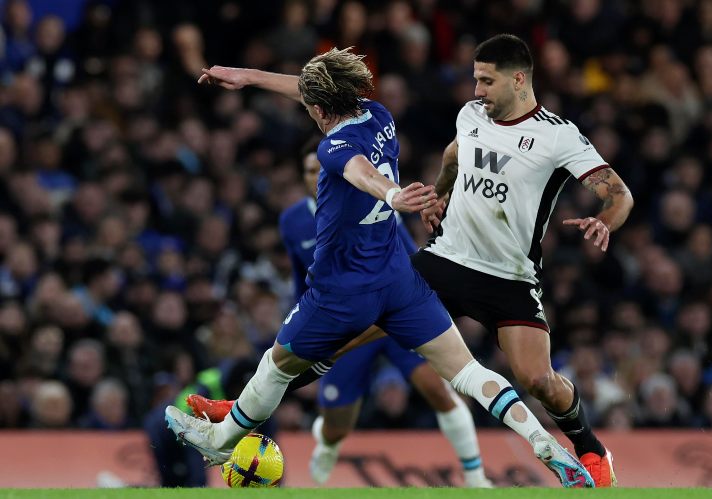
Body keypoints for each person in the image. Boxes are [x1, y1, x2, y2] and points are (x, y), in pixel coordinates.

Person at [164, 47, 594, 488]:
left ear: (318, 110)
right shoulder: (379, 114)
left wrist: (391, 195)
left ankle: (220, 439)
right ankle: (544, 442)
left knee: (276, 366)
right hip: (399, 280)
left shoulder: (332, 147)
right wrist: (248, 76)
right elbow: (314, 95)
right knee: (467, 373)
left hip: (342, 293)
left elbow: (360, 172)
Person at [191, 137, 493, 487]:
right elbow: (303, 278)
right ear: (302, 176)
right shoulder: (292, 222)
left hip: (391, 317)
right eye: (308, 171)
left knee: (440, 390)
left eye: (321, 169)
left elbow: (408, 260)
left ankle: (476, 479)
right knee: (337, 425)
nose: (315, 176)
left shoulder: (366, 199)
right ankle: (328, 441)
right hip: (344, 327)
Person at [415, 34, 634, 487]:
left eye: (486, 81)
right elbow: (455, 155)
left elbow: (619, 193)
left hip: (508, 277)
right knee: (359, 319)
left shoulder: (558, 135)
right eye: (475, 79)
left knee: (538, 380)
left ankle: (592, 449)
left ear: (519, 80)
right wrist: (438, 193)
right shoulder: (470, 115)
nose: (477, 91)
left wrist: (605, 221)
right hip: (446, 259)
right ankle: (248, 410)